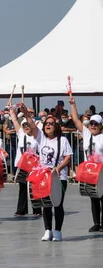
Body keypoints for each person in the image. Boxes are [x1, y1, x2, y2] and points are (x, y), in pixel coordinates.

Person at [26, 114, 72, 242]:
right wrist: (25, 114)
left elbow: (68, 157)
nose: (48, 125)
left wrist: (59, 167)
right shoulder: (41, 138)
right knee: (45, 204)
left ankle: (58, 231)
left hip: (59, 177)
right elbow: (32, 126)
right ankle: (47, 230)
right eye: (46, 123)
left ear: (56, 126)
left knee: (58, 204)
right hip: (43, 177)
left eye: (51, 123)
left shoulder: (62, 140)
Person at [69, 97, 103, 232]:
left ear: (101, 125)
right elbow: (76, 120)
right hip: (90, 171)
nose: (92, 125)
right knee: (93, 197)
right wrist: (73, 105)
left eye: (96, 123)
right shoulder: (87, 134)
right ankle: (96, 223)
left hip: (101, 170)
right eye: (91, 123)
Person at [9, 108, 41, 217]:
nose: (26, 127)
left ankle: (37, 210)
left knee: (33, 187)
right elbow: (14, 121)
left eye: (28, 125)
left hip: (34, 166)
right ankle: (21, 209)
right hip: (22, 165)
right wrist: (11, 110)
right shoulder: (21, 135)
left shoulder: (37, 136)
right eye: (24, 125)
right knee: (22, 187)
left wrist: (27, 115)